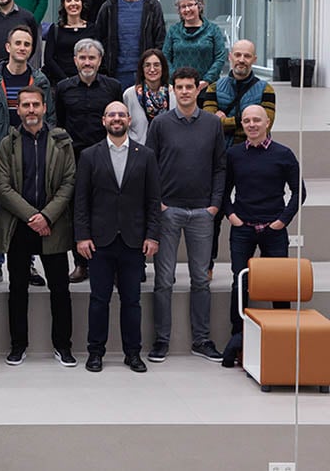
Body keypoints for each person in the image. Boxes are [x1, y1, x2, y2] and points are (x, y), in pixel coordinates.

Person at [143, 66, 226, 364]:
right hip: (169, 211)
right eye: (180, 87)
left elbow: (220, 166)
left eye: (190, 86)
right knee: (163, 280)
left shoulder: (212, 124)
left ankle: (201, 340)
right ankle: (161, 341)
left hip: (203, 212)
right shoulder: (161, 124)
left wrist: (215, 205)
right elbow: (149, 167)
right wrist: (159, 204)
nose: (185, 91)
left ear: (197, 89)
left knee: (200, 280)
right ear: (173, 90)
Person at [74, 101, 161, 374]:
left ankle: (132, 353)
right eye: (111, 114)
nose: (117, 118)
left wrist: (152, 236)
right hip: (99, 241)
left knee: (132, 301)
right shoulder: (89, 155)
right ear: (103, 121)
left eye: (121, 114)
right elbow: (81, 201)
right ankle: (95, 353)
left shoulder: (145, 155)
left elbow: (153, 200)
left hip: (134, 240)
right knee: (99, 300)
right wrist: (82, 237)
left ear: (129, 120)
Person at [0, 87, 76, 368]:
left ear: (43, 108)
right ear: (18, 109)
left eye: (35, 105)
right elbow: (2, 186)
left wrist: (47, 217)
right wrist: (32, 216)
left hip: (53, 226)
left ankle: (63, 346)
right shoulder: (8, 143)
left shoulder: (62, 141)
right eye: (25, 105)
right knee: (17, 289)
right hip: (20, 225)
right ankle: (18, 345)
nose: (30, 110)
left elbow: (68, 183)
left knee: (60, 290)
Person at [221, 104, 305, 364]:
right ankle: (239, 341)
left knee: (280, 285)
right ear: (242, 125)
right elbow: (223, 191)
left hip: (273, 229)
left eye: (256, 120)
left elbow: (298, 191)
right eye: (246, 121)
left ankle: (283, 340)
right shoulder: (234, 154)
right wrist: (232, 216)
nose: (251, 125)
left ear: (267, 122)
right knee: (240, 284)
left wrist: (282, 221)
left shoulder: (284, 154)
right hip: (243, 229)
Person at [0, 25, 54, 287]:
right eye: (18, 43)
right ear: (8, 47)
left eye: (27, 44)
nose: (22, 48)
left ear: (32, 50)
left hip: (32, 149)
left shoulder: (40, 81)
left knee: (31, 206)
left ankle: (29, 262)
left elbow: (50, 117)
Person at [53, 38, 122, 282]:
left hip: (106, 157)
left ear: (100, 61)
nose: (87, 62)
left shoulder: (113, 87)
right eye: (82, 58)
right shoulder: (63, 88)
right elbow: (59, 124)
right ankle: (81, 264)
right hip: (74, 159)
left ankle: (109, 264)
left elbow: (118, 122)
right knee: (77, 211)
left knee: (107, 210)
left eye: (92, 58)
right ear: (75, 61)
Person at [94, 0, 166, 89]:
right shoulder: (109, 7)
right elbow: (98, 39)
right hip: (116, 74)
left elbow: (160, 40)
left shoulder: (152, 6)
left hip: (146, 74)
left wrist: (153, 68)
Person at [201, 39, 276, 148]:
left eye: (247, 56)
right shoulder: (213, 88)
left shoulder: (266, 90)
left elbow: (264, 128)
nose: (241, 60)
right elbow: (209, 125)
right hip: (222, 153)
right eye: (237, 55)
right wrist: (246, 123)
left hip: (254, 152)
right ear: (230, 57)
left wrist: (225, 123)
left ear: (254, 59)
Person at [163, 0, 226, 93]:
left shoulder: (213, 30)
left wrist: (206, 80)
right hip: (180, 89)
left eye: (190, 5)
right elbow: (165, 57)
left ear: (199, 6)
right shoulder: (173, 30)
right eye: (183, 7)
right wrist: (176, 79)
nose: (187, 9)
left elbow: (220, 57)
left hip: (206, 88)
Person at [43, 0, 101, 85]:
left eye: (76, 0)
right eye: (69, 0)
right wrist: (65, 80)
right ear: (64, 5)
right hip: (61, 83)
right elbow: (48, 58)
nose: (73, 3)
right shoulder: (56, 29)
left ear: (82, 3)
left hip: (87, 81)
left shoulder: (92, 29)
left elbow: (99, 55)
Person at [124, 49, 174, 144]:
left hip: (167, 150)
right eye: (147, 65)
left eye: (156, 65)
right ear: (142, 69)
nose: (152, 69)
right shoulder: (130, 95)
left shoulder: (174, 94)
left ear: (163, 68)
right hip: (138, 150)